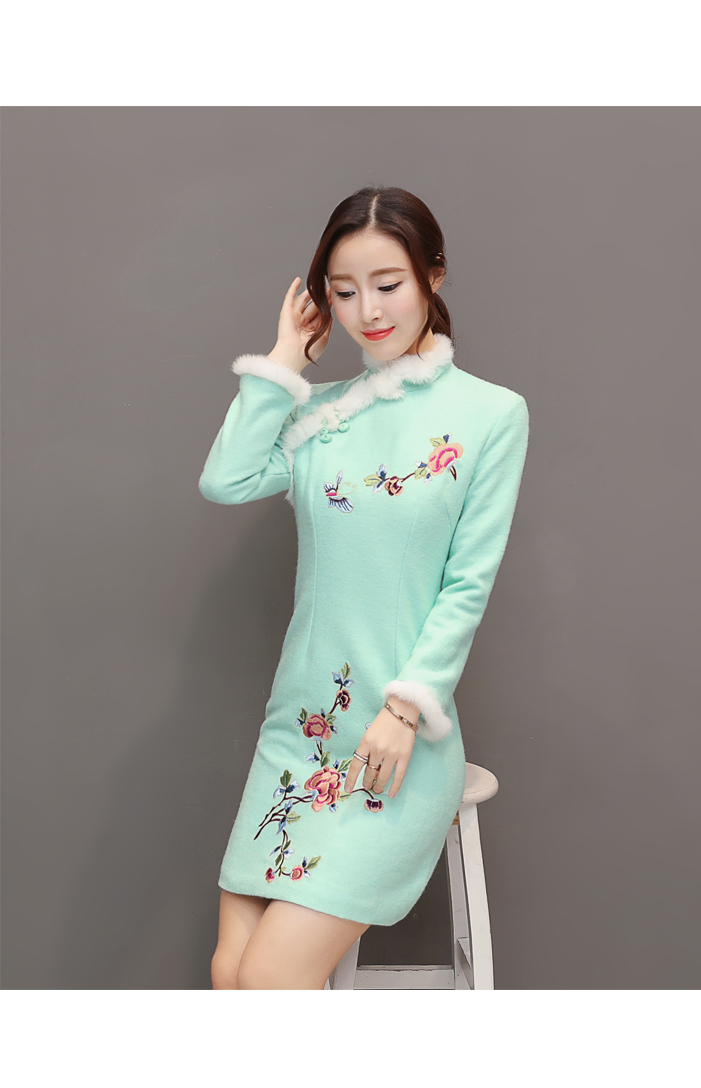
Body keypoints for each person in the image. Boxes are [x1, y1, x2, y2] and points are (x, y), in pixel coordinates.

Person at [199, 185, 530, 989]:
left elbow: (466, 587)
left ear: (432, 277)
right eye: (343, 291)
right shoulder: (320, 416)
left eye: (387, 284)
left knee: (270, 980)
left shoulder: (490, 415)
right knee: (231, 973)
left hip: (398, 742)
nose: (367, 310)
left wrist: (404, 710)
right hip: (299, 732)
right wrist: (283, 362)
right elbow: (225, 479)